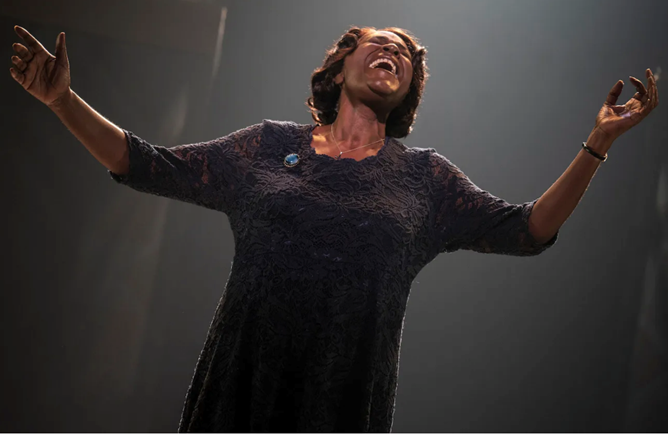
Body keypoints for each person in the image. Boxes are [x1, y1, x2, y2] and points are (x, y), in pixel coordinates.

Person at [10, 23, 658, 432]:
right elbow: (145, 164)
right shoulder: (266, 146)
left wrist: (597, 143)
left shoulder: (425, 180)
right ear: (341, 65)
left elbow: (529, 228)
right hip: (239, 399)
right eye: (380, 41)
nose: (393, 51)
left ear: (407, 92)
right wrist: (63, 100)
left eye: (405, 54)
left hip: (342, 410)